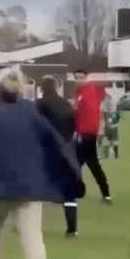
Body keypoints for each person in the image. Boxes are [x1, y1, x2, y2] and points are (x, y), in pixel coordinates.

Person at [0, 67, 84, 259]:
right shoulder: (33, 115)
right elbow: (56, 145)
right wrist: (69, 175)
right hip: (29, 186)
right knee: (33, 238)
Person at [36, 75, 83, 237]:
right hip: (67, 151)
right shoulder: (66, 105)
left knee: (33, 189)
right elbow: (74, 127)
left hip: (47, 151)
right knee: (68, 192)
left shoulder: (39, 105)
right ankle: (72, 228)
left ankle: (28, 226)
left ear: (42, 88)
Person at [73, 69, 112, 204]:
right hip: (83, 134)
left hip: (86, 134)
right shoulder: (80, 93)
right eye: (76, 78)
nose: (78, 81)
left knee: (87, 163)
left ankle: (102, 192)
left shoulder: (89, 91)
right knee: (80, 163)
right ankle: (102, 193)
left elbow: (102, 89)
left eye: (81, 78)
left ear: (86, 79)